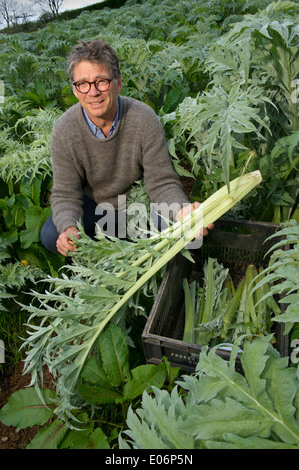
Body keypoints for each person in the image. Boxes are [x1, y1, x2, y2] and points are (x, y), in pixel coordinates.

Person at [40, 39, 212, 257]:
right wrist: (70, 229)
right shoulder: (64, 130)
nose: (92, 92)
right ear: (75, 90)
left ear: (118, 83)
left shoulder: (143, 118)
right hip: (95, 209)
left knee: (187, 233)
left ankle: (131, 245)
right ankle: (99, 255)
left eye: (101, 81)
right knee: (51, 234)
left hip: (136, 206)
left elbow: (161, 182)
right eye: (82, 83)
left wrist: (181, 210)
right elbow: (65, 193)